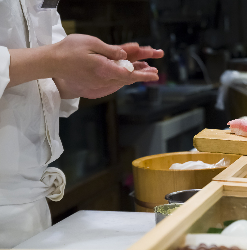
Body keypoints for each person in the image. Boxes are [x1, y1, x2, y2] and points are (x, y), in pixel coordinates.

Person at [0, 0, 164, 248]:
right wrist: (53, 59)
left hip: (30, 207)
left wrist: (87, 73)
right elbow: (49, 59)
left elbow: (45, 71)